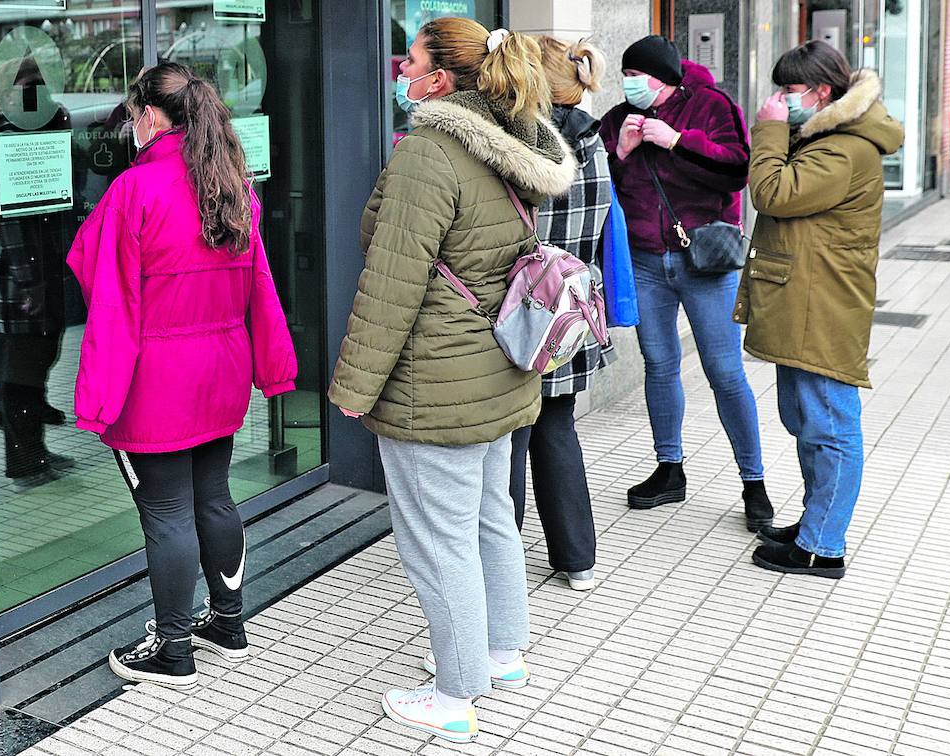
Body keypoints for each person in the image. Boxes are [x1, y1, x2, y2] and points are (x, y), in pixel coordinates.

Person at [329, 19, 574, 743]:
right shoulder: (513, 142)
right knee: (490, 515)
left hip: (434, 381)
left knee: (438, 540)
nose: (401, 66)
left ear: (439, 82)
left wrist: (353, 387)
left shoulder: (429, 154)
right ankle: (502, 654)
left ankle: (454, 692)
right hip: (497, 369)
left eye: (414, 59)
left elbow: (391, 285)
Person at [68, 62, 297, 689]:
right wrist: (275, 366)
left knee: (165, 512)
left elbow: (103, 289)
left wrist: (98, 398)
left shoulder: (134, 192)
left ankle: (172, 650)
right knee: (213, 496)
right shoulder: (232, 184)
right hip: (220, 372)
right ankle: (227, 623)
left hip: (155, 380)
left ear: (148, 117)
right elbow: (263, 287)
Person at [741, 41, 902, 578]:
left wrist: (766, 130)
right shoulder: (829, 136)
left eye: (788, 91)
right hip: (808, 296)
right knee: (809, 420)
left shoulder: (846, 150)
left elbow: (772, 192)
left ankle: (822, 545)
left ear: (822, 93)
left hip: (823, 303)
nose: (779, 100)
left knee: (830, 424)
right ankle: (816, 522)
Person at [599, 35, 772, 531]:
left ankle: (754, 482)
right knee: (659, 364)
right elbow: (600, 182)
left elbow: (737, 170)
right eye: (625, 75)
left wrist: (677, 141)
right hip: (647, 261)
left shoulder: (712, 106)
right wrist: (624, 150)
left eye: (638, 76)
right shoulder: (616, 120)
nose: (629, 84)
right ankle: (669, 468)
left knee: (724, 370)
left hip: (705, 261)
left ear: (663, 78)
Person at [507, 36, 614, 593]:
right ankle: (577, 559)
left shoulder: (528, 148)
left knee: (511, 443)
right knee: (557, 431)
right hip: (573, 314)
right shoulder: (595, 144)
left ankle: (501, 567)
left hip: (525, 317)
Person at [0, 55, 75, 487]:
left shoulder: (44, 130)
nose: (37, 92)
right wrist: (30, 282)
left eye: (42, 84)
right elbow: (9, 223)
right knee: (21, 369)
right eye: (27, 85)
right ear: (7, 92)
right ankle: (23, 462)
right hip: (17, 277)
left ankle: (36, 451)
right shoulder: (4, 140)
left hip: (44, 269)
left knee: (40, 360)